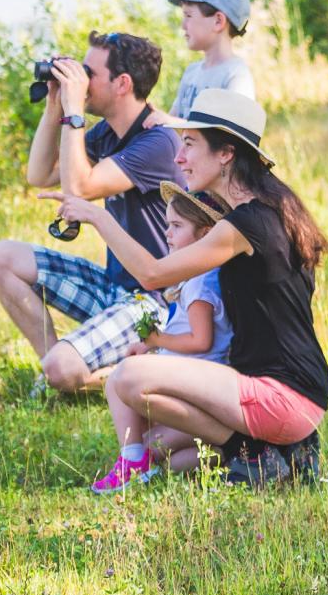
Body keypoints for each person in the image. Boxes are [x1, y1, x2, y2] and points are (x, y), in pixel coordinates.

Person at [42, 88, 328, 490]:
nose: (178, 159)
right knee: (165, 450)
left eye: (190, 145)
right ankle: (270, 453)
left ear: (226, 153)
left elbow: (152, 275)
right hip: (298, 393)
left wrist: (96, 215)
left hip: (279, 395)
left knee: (127, 377)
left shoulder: (245, 225)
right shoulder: (270, 208)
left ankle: (253, 453)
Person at [0, 31, 182, 395]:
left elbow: (81, 188)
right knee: (1, 258)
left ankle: (133, 368)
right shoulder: (107, 133)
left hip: (154, 302)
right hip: (114, 286)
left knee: (63, 368)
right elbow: (39, 175)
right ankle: (55, 372)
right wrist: (55, 107)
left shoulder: (158, 141)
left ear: (122, 84)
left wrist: (75, 113)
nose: (81, 80)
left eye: (89, 72)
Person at [93, 182, 233, 491]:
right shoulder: (201, 277)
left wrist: (157, 341)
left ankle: (132, 459)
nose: (167, 232)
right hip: (195, 381)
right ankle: (209, 457)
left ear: (206, 234)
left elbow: (200, 341)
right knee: (162, 457)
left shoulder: (200, 284)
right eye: (167, 224)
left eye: (176, 226)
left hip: (198, 384)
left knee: (119, 383)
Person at [161, 0, 256, 121]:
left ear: (218, 21)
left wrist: (165, 120)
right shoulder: (191, 72)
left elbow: (230, 135)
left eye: (188, 15)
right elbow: (171, 128)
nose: (183, 25)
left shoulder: (236, 75)